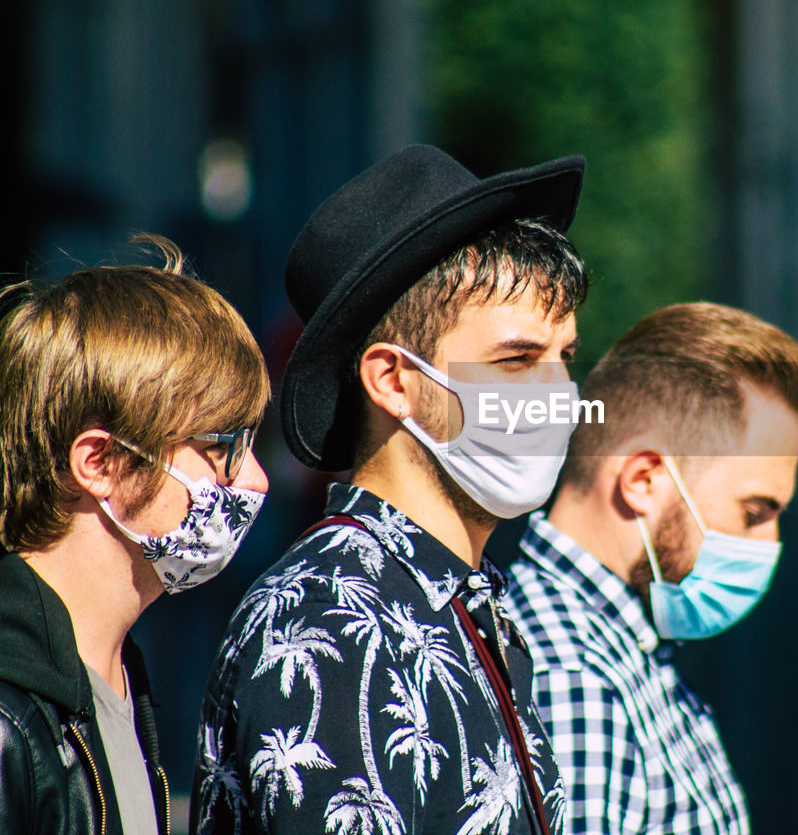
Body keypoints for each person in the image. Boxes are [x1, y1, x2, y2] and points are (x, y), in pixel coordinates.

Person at [194, 145, 588, 834]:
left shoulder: (465, 600)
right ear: (393, 380)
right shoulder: (329, 622)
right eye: (516, 360)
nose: (557, 394)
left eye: (565, 358)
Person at [503, 302, 798, 834]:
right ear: (643, 480)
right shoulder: (579, 681)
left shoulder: (620, 650)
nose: (771, 543)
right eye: (754, 512)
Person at [0, 235, 271, 835]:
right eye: (221, 448)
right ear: (99, 462)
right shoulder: (10, 713)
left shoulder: (117, 676)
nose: (253, 480)